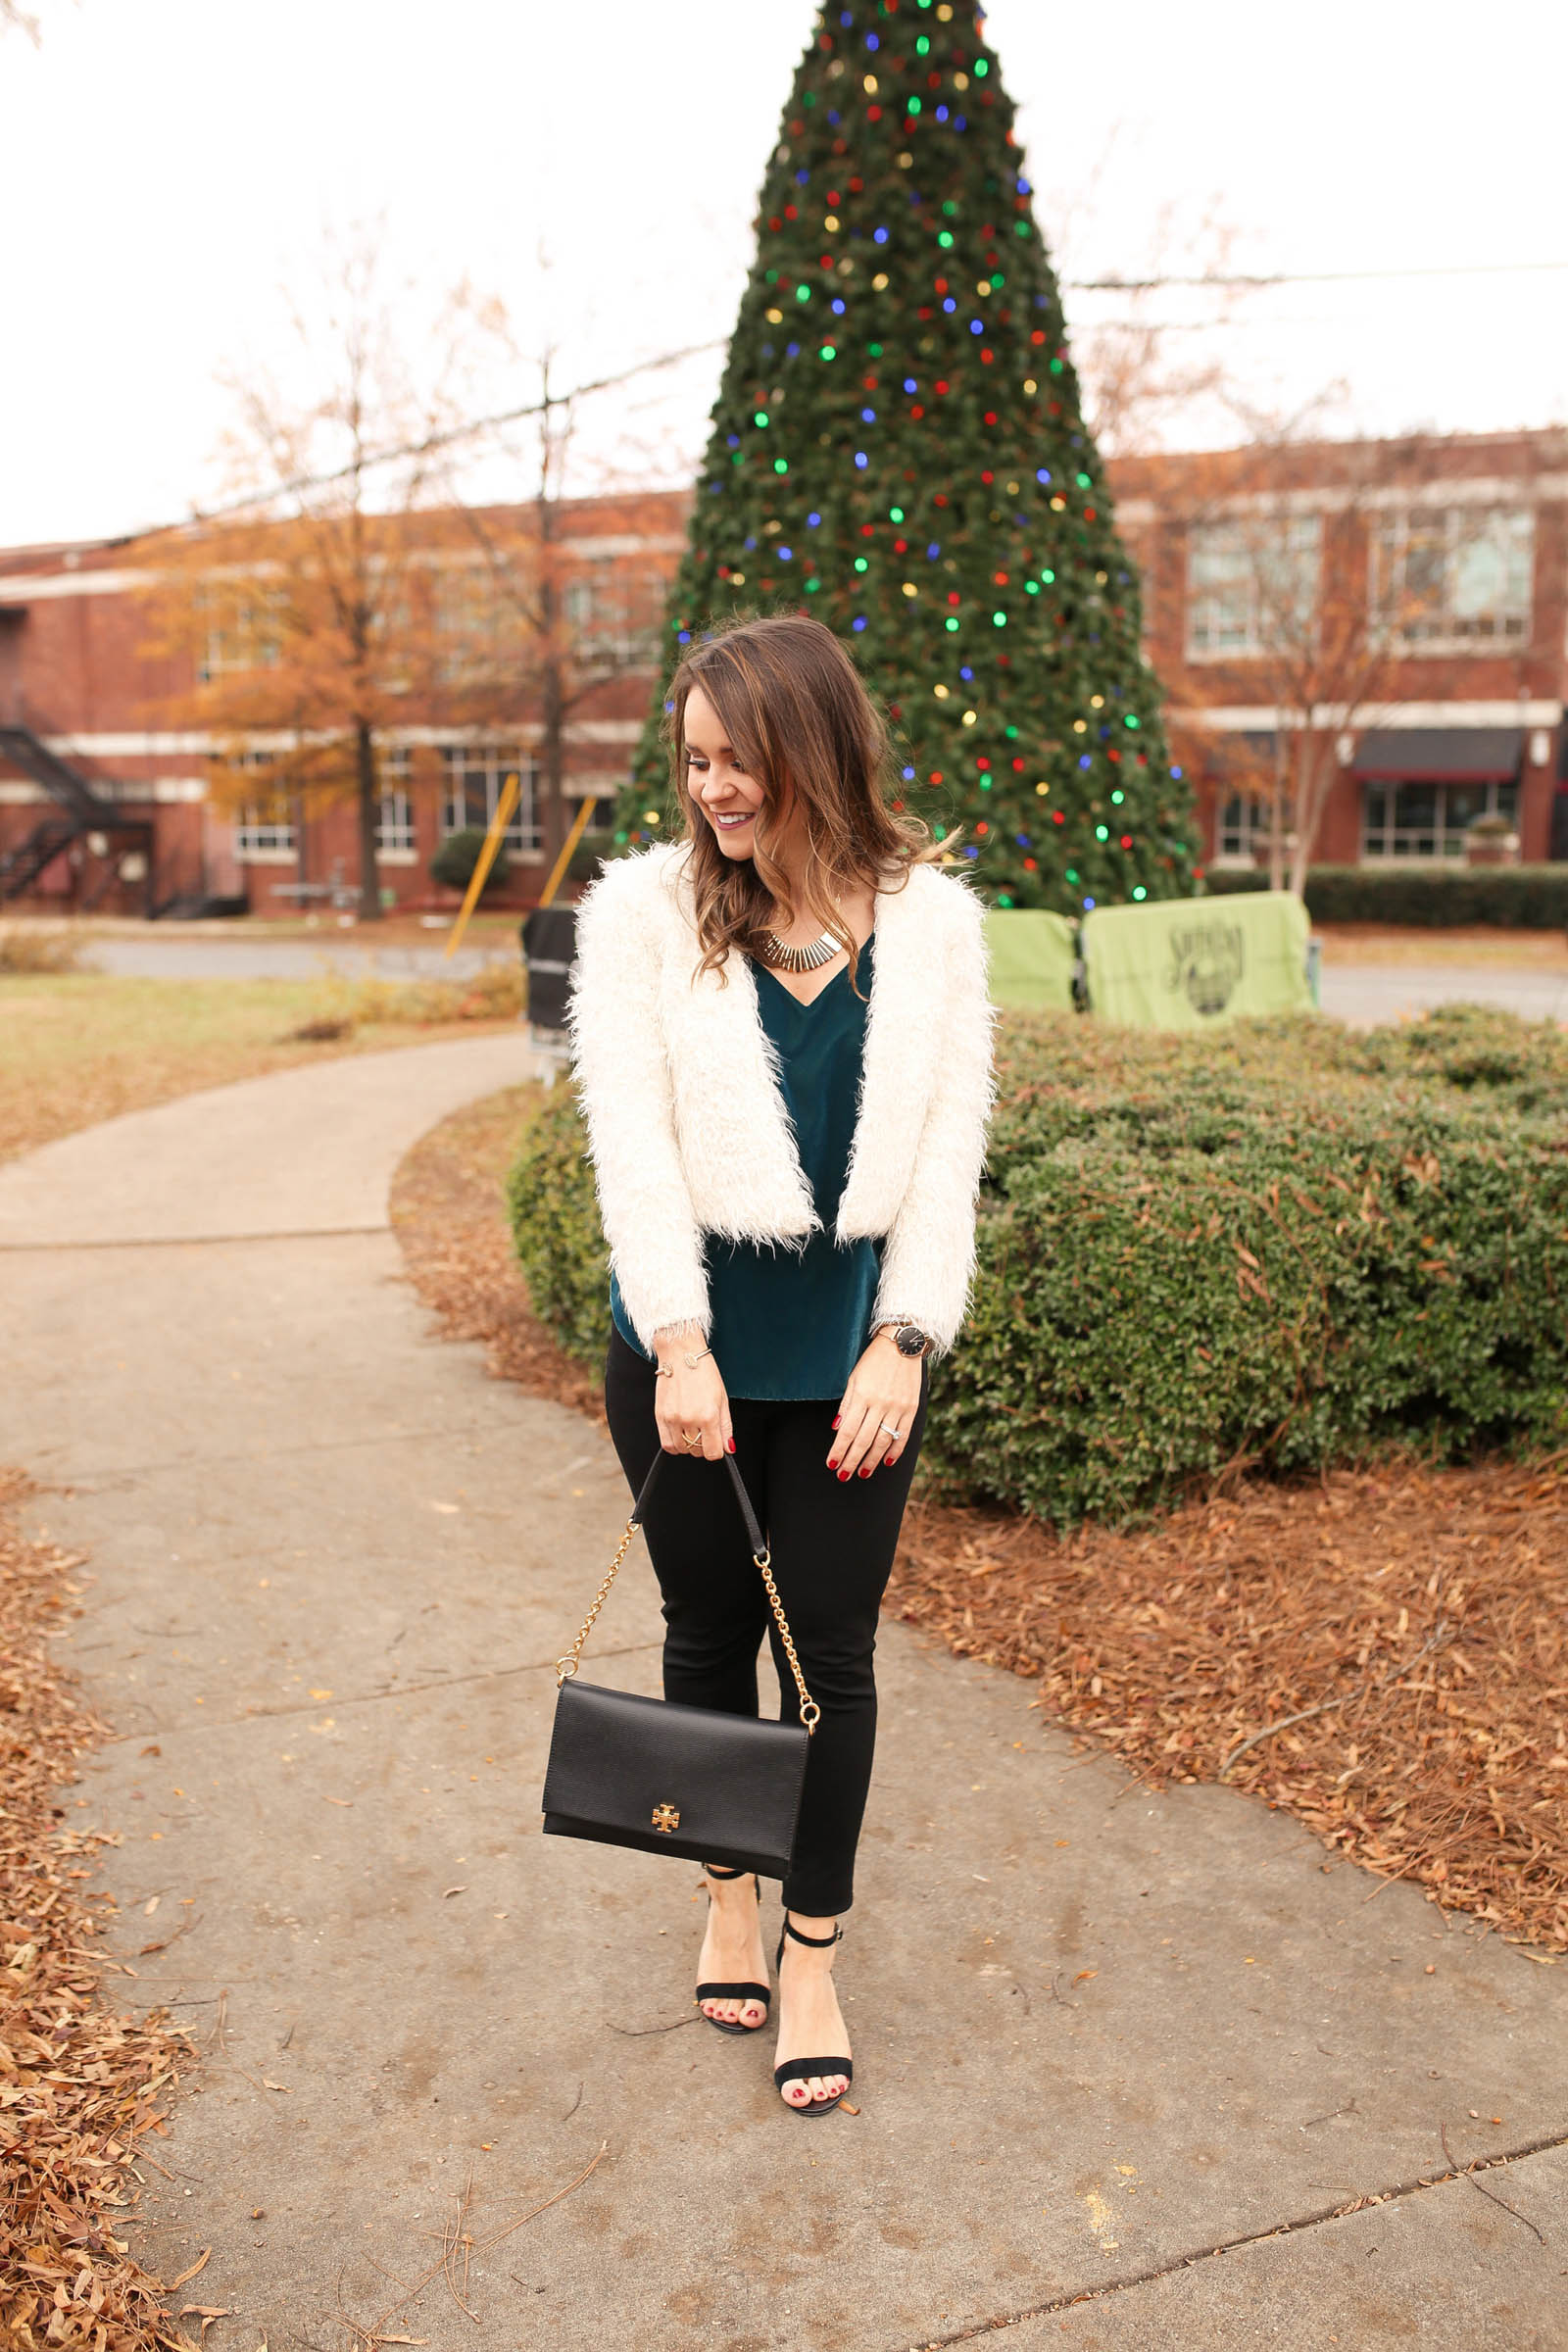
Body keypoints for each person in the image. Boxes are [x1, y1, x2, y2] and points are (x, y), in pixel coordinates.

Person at [569, 612, 993, 2116]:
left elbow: (947, 1155)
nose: (713, 790)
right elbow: (630, 1146)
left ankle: (813, 1945)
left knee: (834, 1660)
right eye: (693, 762)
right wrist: (677, 1339)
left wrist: (906, 1339)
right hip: (684, 1351)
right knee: (704, 1635)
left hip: (849, 1361)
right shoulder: (642, 918)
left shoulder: (930, 925)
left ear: (814, 747)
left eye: (737, 757)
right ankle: (726, 1898)